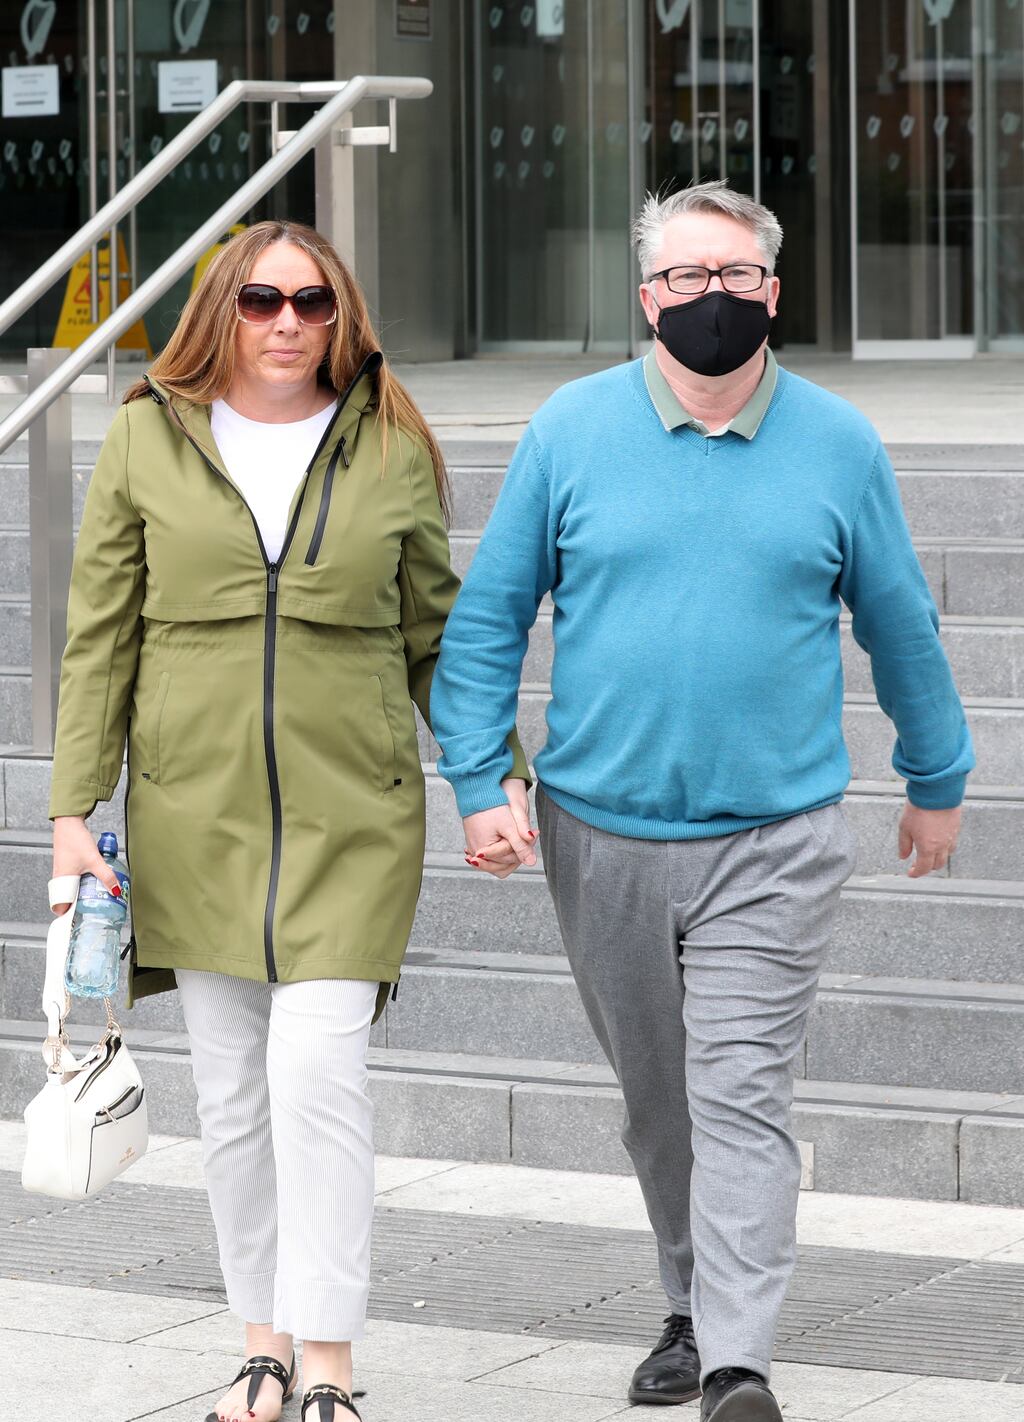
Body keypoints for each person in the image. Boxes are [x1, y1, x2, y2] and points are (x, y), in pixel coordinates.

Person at [429, 181, 974, 1421]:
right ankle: (686, 1301)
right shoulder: (570, 429)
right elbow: (485, 625)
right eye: (684, 279)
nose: (710, 300)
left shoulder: (837, 443)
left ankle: (736, 1362)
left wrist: (934, 780)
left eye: (734, 277)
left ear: (773, 293)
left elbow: (901, 625)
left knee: (740, 1090)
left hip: (773, 838)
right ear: (645, 297)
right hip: (597, 831)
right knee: (659, 1100)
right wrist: (478, 779)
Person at [47, 219, 530, 1422]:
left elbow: (439, 632)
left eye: (313, 305)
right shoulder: (146, 437)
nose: (286, 326)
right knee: (232, 1096)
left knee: (318, 1077)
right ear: (224, 308)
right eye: (262, 301)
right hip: (190, 810)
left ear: (341, 316)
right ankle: (259, 1343)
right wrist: (71, 806)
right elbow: (100, 630)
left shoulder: (390, 444)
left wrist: (488, 780)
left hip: (350, 811)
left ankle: (330, 1360)